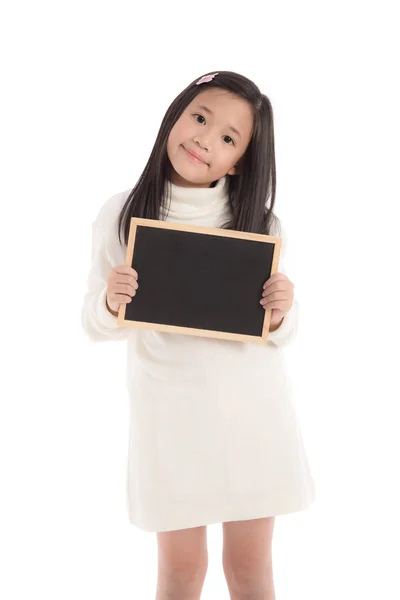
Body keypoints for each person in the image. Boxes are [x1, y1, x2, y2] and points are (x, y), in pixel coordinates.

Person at [81, 70, 316, 600]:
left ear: (241, 161)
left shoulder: (259, 222)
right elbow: (92, 320)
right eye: (200, 117)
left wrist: (282, 312)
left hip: (252, 417)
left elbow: (276, 329)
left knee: (250, 570)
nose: (205, 140)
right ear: (177, 114)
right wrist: (110, 300)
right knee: (181, 572)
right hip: (170, 420)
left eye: (229, 138)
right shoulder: (122, 215)